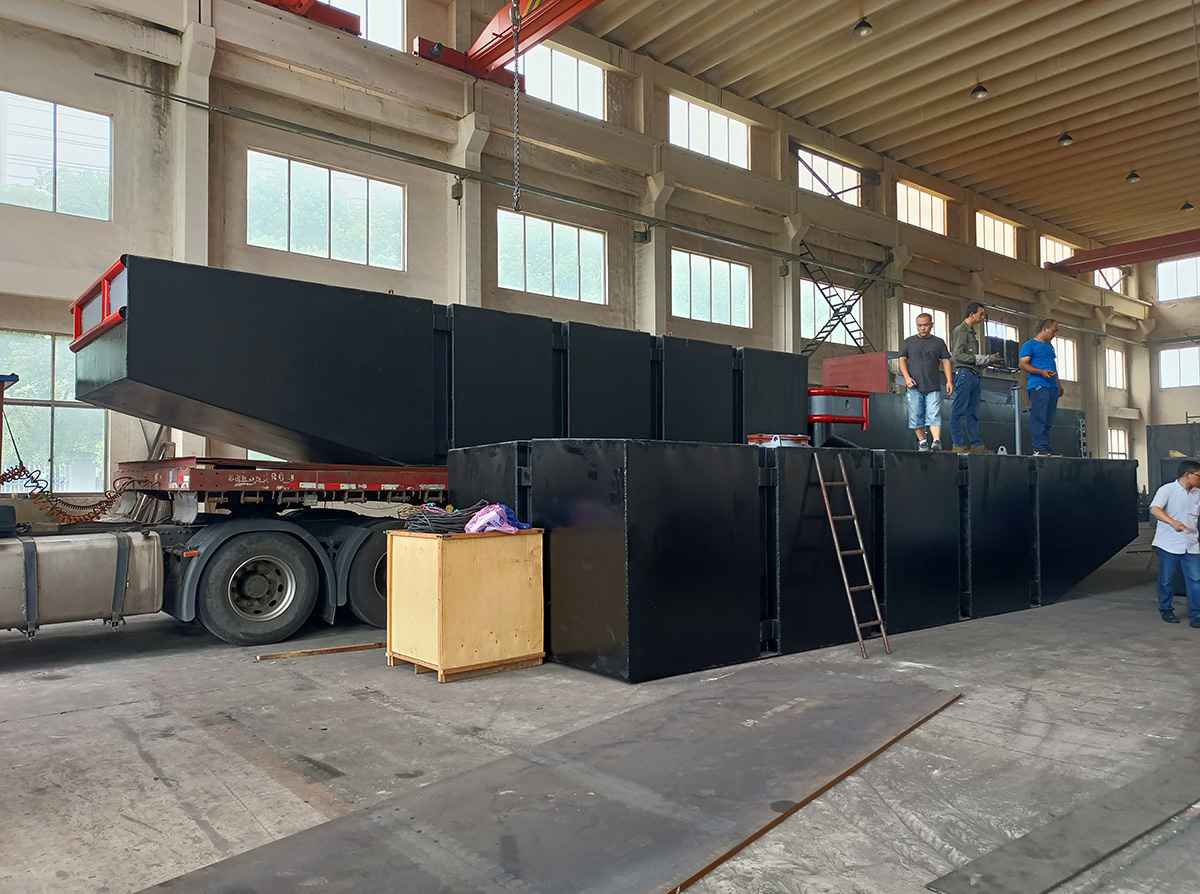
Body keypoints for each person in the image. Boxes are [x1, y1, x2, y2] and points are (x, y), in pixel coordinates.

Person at [1149, 460, 1200, 625]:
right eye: (1199, 476)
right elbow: (1155, 509)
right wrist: (1173, 522)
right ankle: (1166, 610)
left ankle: (1196, 616)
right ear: (1188, 475)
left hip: (1192, 544)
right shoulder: (1167, 490)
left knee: (1195, 580)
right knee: (1166, 579)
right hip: (1168, 544)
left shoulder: (1197, 493)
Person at [949, 303, 1000, 454]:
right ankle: (958, 444)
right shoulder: (961, 330)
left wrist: (988, 360)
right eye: (981, 314)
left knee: (973, 412)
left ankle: (976, 445)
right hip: (964, 374)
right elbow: (957, 355)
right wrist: (981, 358)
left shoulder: (971, 332)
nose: (983, 317)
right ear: (971, 314)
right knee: (959, 410)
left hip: (973, 374)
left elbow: (971, 358)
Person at [898, 312, 953, 451]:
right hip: (914, 386)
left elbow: (946, 361)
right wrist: (906, 378)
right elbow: (902, 359)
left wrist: (949, 381)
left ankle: (936, 441)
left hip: (933, 385)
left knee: (934, 413)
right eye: (919, 325)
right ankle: (922, 441)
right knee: (916, 414)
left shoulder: (938, 342)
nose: (922, 328)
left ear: (931, 325)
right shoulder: (909, 342)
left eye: (925, 325)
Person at [1018, 319, 1064, 457]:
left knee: (1048, 418)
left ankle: (1046, 447)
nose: (1055, 334)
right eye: (1053, 331)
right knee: (1039, 416)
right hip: (1038, 385)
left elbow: (1052, 366)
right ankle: (1038, 448)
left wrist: (1058, 384)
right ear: (1045, 329)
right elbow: (1023, 364)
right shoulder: (1029, 345)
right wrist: (1041, 372)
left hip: (1052, 386)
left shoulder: (1049, 347)